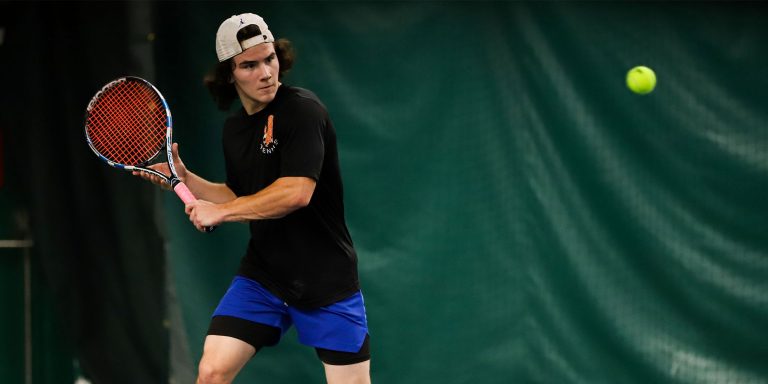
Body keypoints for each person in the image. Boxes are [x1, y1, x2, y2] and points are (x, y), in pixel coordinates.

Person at [134, 13, 371, 384]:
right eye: (249, 65)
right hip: (265, 277)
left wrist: (221, 213)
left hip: (326, 279)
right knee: (211, 372)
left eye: (270, 58)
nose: (265, 72)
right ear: (230, 74)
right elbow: (241, 196)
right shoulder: (234, 130)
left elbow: (296, 192)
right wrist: (187, 180)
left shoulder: (302, 111)